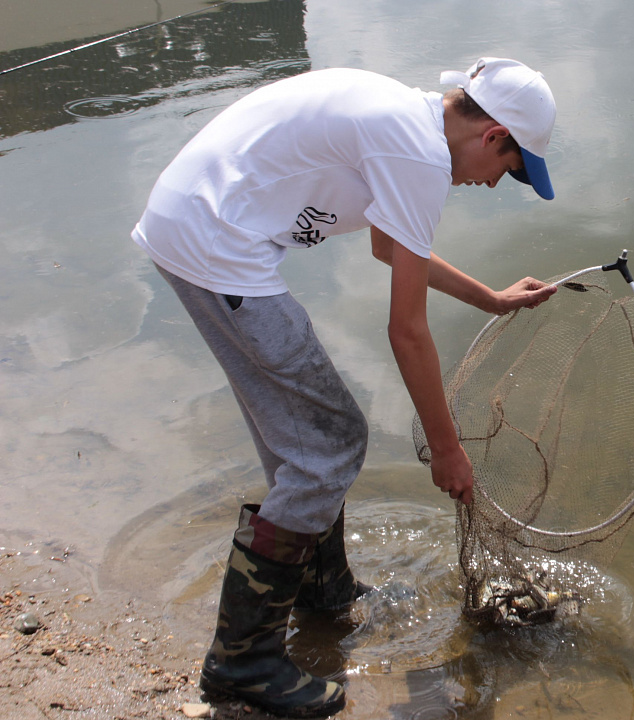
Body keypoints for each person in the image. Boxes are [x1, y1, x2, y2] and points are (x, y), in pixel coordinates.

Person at [131, 57, 559, 717]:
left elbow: (389, 248)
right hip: (216, 245)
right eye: (512, 168)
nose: (499, 183)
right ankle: (242, 662)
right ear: (495, 135)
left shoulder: (408, 127)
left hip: (196, 227)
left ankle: (323, 594)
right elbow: (407, 331)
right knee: (331, 443)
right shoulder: (416, 152)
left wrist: (490, 299)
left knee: (305, 444)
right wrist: (445, 449)